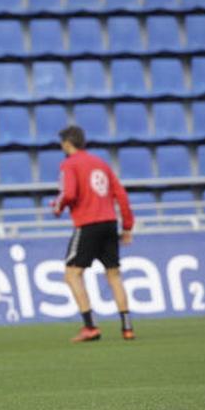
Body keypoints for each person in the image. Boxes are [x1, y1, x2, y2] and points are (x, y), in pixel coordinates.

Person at [52, 126, 136, 342]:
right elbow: (121, 194)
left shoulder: (69, 164)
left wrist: (57, 206)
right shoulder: (101, 163)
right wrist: (127, 226)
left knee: (72, 274)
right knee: (114, 275)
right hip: (109, 223)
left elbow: (68, 193)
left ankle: (90, 326)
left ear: (67, 144)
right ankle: (127, 328)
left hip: (88, 223)